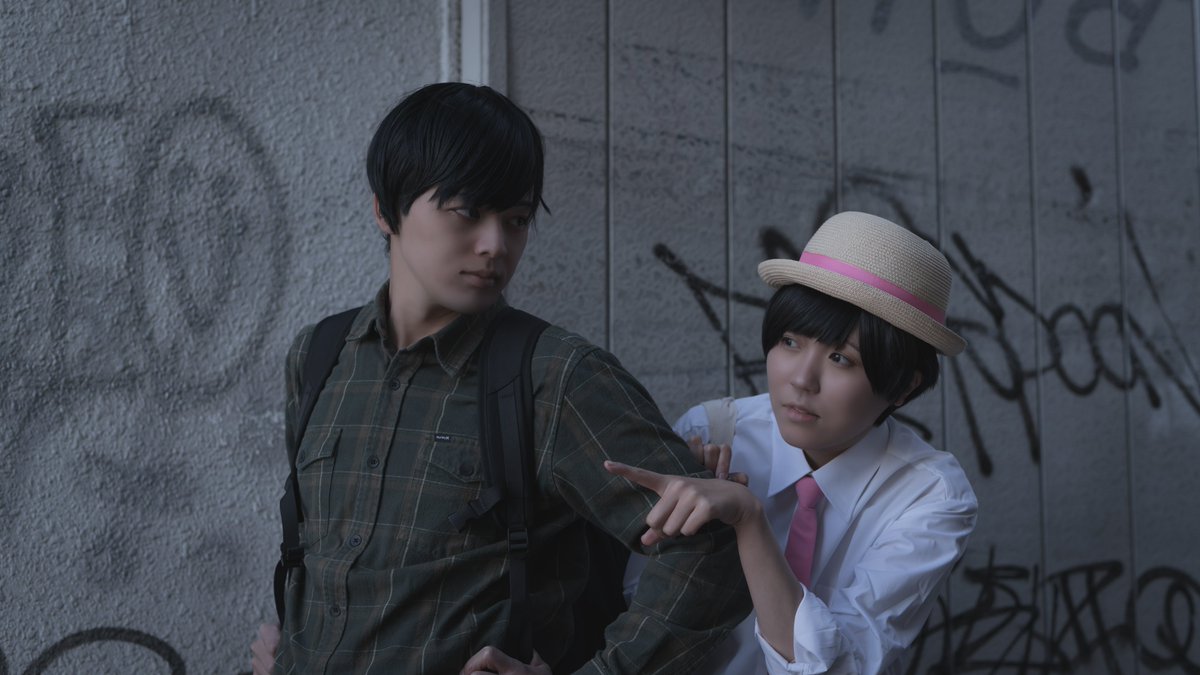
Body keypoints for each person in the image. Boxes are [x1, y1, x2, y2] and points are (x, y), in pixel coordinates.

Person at [250, 82, 749, 674]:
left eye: (515, 220)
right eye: (467, 211)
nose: (495, 245)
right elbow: (323, 554)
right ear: (385, 210)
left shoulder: (555, 376)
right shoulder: (319, 355)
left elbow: (709, 550)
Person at [609, 211, 978, 674]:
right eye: (790, 341)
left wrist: (749, 521)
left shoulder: (929, 496)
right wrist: (698, 541)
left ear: (904, 386)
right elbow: (635, 608)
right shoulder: (715, 432)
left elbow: (845, 666)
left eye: (841, 358)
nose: (801, 379)